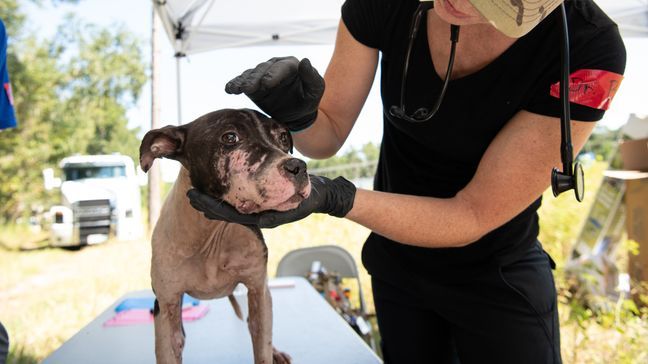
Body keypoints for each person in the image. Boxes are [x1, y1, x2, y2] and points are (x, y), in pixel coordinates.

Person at [188, 0, 626, 362]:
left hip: (497, 273)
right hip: (398, 268)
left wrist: (335, 198)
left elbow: (470, 215)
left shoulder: (588, 48)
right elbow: (328, 133)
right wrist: (299, 114)